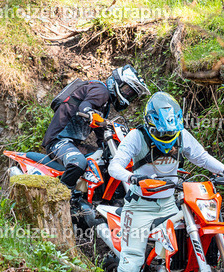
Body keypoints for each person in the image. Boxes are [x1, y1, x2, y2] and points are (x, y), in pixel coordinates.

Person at [108, 91, 224, 272]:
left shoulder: (182, 135)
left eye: (170, 134)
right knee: (132, 259)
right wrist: (132, 178)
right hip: (139, 206)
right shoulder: (137, 136)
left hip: (169, 203)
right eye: (161, 134)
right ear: (150, 125)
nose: (167, 139)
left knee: (188, 242)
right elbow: (114, 166)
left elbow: (201, 157)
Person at [42, 65, 148, 228]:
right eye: (127, 90)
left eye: (131, 94)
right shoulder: (100, 90)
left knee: (101, 160)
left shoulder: (104, 107)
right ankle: (63, 202)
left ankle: (91, 203)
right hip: (58, 140)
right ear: (117, 83)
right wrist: (89, 111)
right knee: (78, 162)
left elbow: (102, 137)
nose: (127, 95)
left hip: (73, 143)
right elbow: (86, 106)